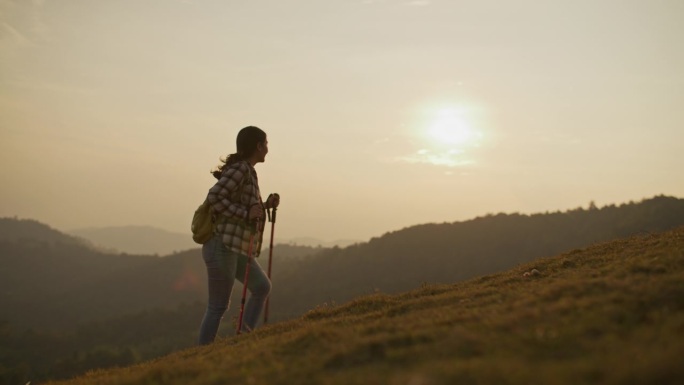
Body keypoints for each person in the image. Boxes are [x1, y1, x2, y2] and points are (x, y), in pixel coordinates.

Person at [198, 126, 280, 345]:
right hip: (222, 245)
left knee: (262, 286)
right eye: (266, 144)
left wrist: (264, 205)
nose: (268, 149)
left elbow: (247, 208)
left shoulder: (248, 171)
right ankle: (199, 356)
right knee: (217, 307)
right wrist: (245, 212)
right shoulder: (241, 170)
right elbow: (215, 196)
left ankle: (243, 339)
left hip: (236, 246)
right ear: (258, 146)